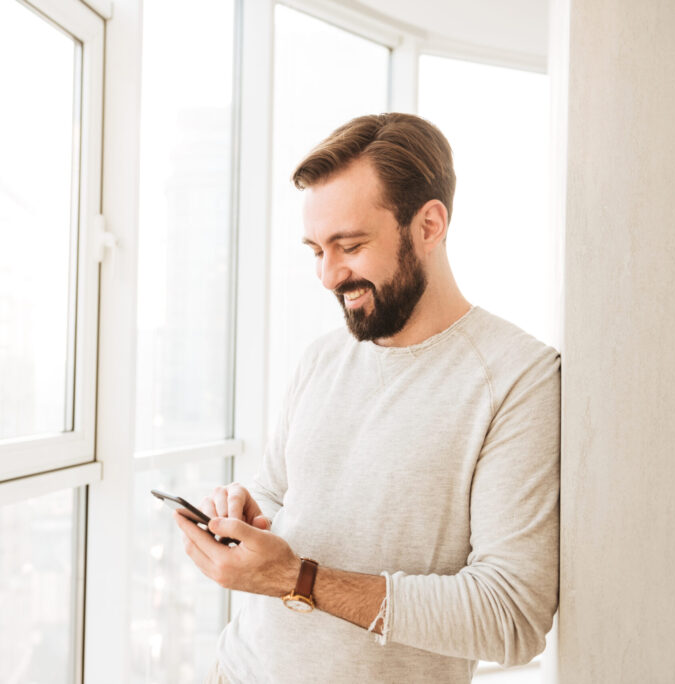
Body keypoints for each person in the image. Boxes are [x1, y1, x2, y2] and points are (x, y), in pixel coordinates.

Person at [173, 113, 560, 684]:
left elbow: (510, 617)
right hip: (238, 669)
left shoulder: (518, 378)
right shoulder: (323, 358)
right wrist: (247, 512)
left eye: (349, 245)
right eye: (315, 251)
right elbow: (280, 493)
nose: (329, 276)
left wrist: (298, 580)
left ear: (429, 225)